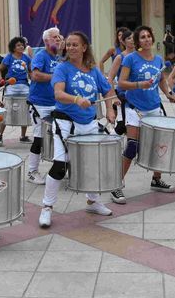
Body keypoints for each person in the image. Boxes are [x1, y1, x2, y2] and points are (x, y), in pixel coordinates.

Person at [38, 32, 116, 228]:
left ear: (84, 48)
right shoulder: (62, 68)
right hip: (65, 123)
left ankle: (93, 201)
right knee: (59, 165)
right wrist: (75, 99)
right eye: (69, 45)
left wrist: (109, 110)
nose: (71, 48)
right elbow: (58, 93)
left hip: (88, 123)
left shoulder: (93, 70)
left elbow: (107, 90)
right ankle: (47, 207)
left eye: (75, 45)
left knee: (92, 164)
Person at [113, 26, 175, 202]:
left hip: (154, 107)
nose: (146, 39)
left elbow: (162, 80)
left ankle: (156, 179)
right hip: (134, 108)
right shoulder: (130, 59)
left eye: (149, 36)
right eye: (142, 37)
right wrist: (138, 85)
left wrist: (168, 94)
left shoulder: (158, 60)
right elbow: (121, 84)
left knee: (159, 144)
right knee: (132, 146)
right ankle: (116, 184)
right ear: (137, 41)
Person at [26, 27, 63, 184]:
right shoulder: (41, 56)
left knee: (59, 137)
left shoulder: (60, 57)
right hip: (39, 104)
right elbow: (35, 75)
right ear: (46, 41)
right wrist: (56, 77)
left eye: (59, 37)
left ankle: (60, 167)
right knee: (39, 138)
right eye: (54, 37)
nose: (58, 39)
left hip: (56, 103)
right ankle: (32, 171)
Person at [0, 37, 32, 144]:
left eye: (22, 45)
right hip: (11, 86)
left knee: (25, 111)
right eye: (18, 45)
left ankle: (23, 136)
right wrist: (1, 79)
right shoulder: (9, 57)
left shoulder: (26, 58)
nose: (21, 47)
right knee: (7, 111)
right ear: (13, 47)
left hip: (24, 86)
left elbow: (30, 72)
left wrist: (31, 76)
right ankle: (0, 135)